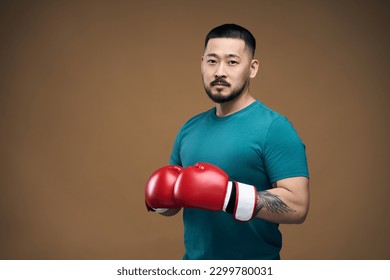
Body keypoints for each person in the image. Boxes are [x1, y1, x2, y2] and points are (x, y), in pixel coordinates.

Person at [144, 23, 310, 260]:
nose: (220, 71)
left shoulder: (275, 128)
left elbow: (298, 206)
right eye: (212, 61)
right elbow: (176, 204)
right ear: (202, 64)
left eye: (232, 62)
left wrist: (229, 196)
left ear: (252, 68)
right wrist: (161, 201)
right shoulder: (189, 129)